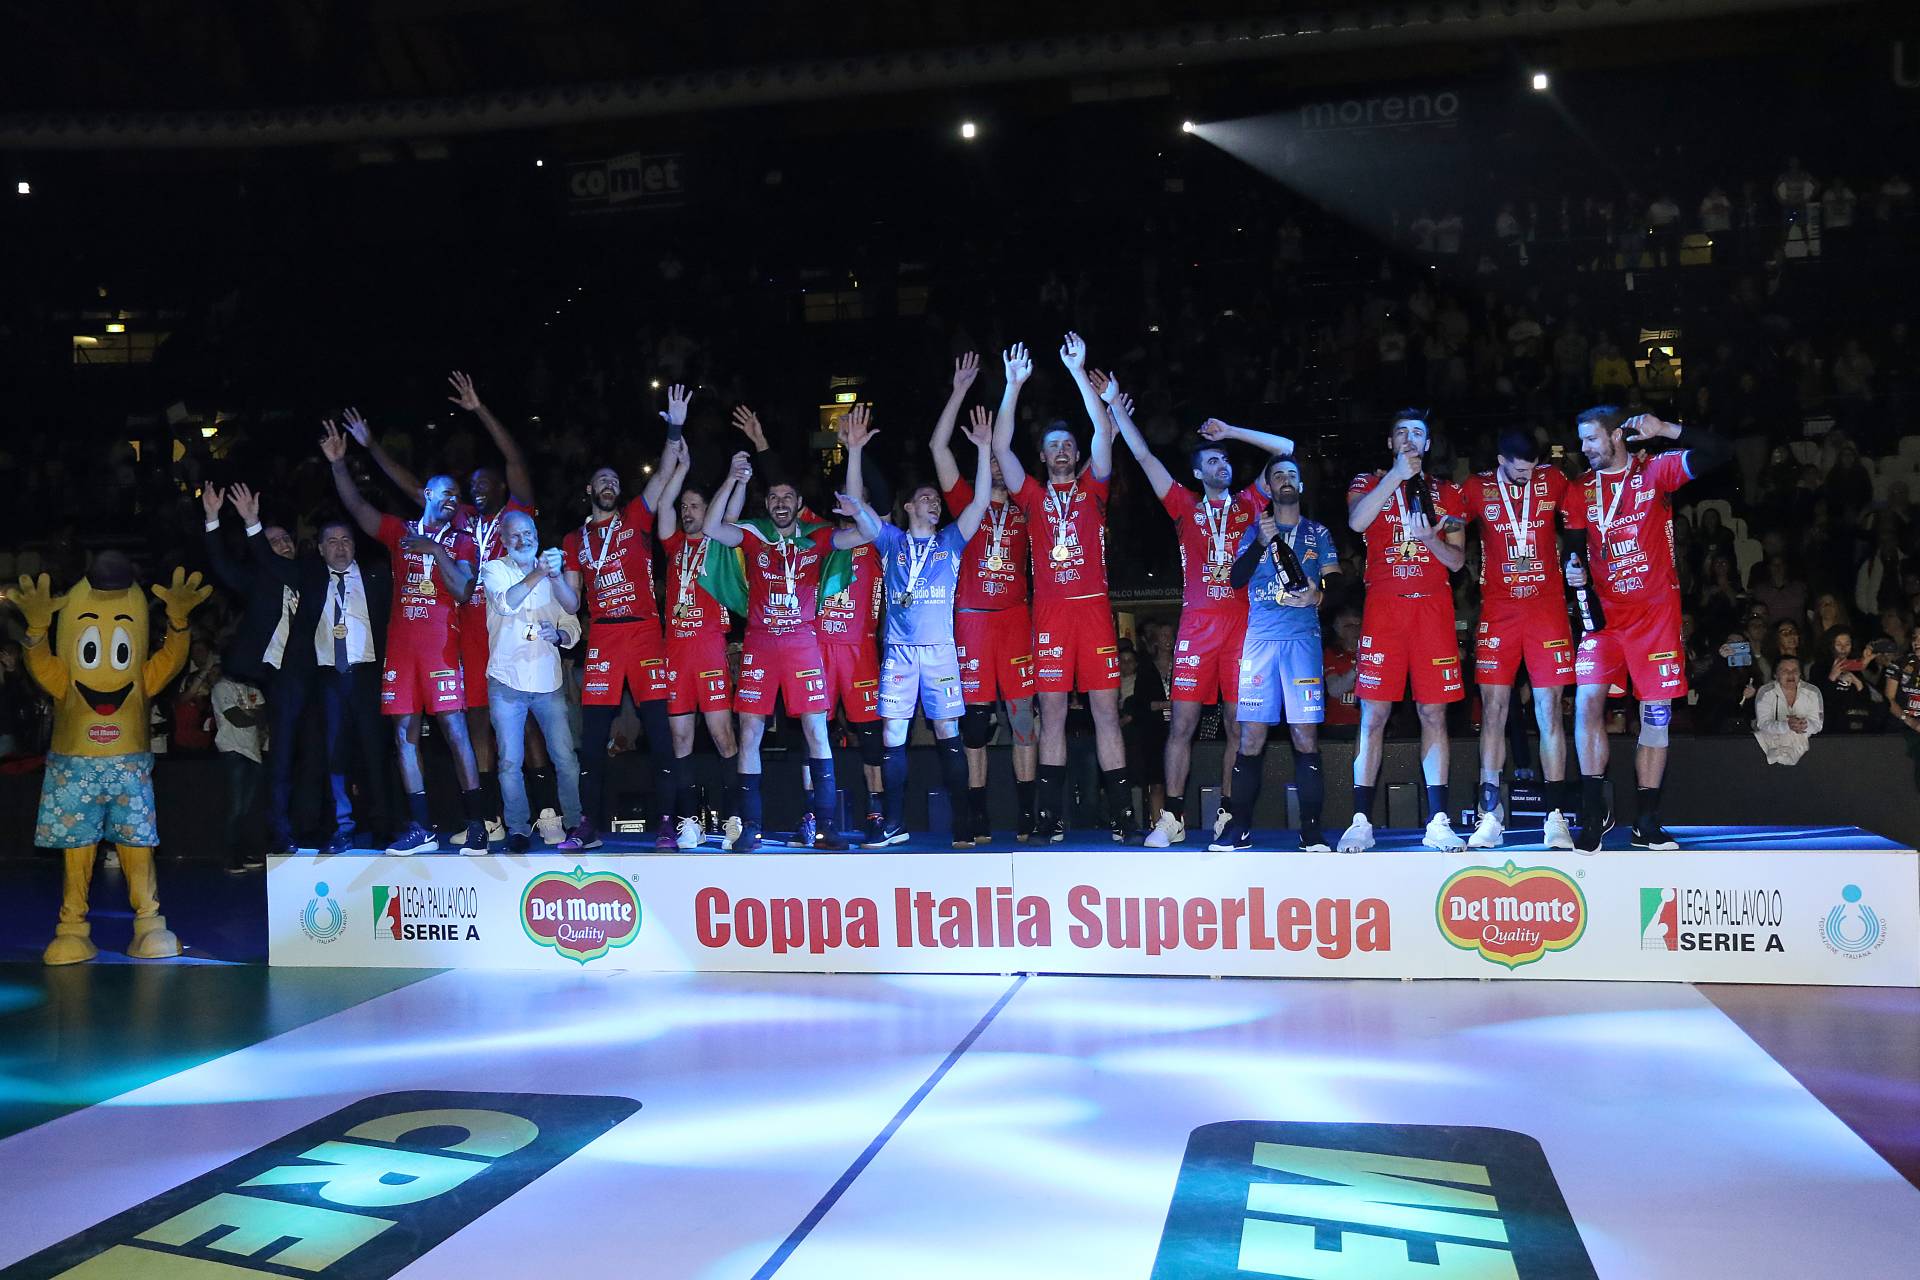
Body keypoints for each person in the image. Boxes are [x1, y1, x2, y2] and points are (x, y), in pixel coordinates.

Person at [345, 373, 538, 844]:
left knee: (525, 718)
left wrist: (479, 409)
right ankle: (485, 818)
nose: (474, 492)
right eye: (469, 487)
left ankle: (545, 810)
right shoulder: (461, 519)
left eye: (483, 484)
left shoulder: (515, 516)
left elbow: (515, 460)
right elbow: (414, 488)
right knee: (474, 724)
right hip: (464, 629)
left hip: (508, 625)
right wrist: (370, 447)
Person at [1106, 400, 1295, 848]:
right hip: (1197, 627)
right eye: (1212, 460)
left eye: (1224, 459)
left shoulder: (1250, 502)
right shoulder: (1184, 505)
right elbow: (1144, 457)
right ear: (1197, 472)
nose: (1221, 464)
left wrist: (1231, 430)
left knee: (1237, 726)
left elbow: (1285, 448)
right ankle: (1172, 816)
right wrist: (1115, 405)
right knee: (1182, 725)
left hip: (1243, 629)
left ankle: (1228, 813)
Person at [992, 335, 1140, 843]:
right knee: (1051, 715)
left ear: (1079, 454)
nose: (1061, 450)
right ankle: (1048, 818)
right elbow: (1000, 447)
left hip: (1093, 613)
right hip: (1051, 616)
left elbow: (1102, 430)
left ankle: (1123, 817)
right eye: (1053, 445)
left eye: (1068, 445)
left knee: (1106, 714)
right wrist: (1012, 386)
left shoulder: (1095, 488)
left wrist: (1079, 372)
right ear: (1042, 455)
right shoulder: (1031, 496)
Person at [1564, 407, 1732, 850]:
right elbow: (1574, 550)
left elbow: (1720, 451)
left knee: (1655, 718)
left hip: (1655, 618)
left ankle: (1646, 822)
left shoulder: (1655, 471)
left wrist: (1666, 429)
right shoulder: (1579, 489)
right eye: (1581, 440)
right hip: (1604, 620)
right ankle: (1593, 815)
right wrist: (1572, 569)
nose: (1584, 448)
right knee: (1587, 703)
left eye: (1591, 439)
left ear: (1617, 435)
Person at [701, 448, 885, 852]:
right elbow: (712, 526)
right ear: (766, 505)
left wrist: (856, 509)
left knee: (817, 731)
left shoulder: (817, 537)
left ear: (799, 504)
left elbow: (871, 534)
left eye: (787, 497)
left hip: (802, 644)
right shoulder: (755, 535)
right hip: (761, 644)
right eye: (773, 498)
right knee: (750, 733)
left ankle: (825, 827)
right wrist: (732, 478)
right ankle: (751, 827)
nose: (780, 503)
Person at [322, 415, 485, 855]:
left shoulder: (463, 541)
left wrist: (435, 550)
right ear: (426, 494)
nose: (453, 500)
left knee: (455, 732)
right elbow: (358, 509)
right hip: (401, 653)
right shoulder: (401, 532)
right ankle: (422, 828)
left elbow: (463, 589)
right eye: (445, 493)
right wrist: (338, 464)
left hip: (441, 651)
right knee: (403, 739)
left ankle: (476, 825)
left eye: (457, 496)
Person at [561, 387, 694, 851]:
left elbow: (664, 471)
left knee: (659, 733)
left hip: (643, 633)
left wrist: (674, 428)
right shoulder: (573, 540)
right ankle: (587, 826)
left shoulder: (636, 517)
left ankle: (667, 824)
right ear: (589, 490)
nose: (609, 484)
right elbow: (571, 600)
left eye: (614, 480)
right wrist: (552, 578)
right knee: (592, 739)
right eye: (602, 479)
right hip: (602, 638)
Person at [862, 408, 994, 847]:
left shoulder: (950, 540)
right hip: (899, 652)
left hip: (939, 651)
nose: (934, 503)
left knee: (948, 733)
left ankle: (963, 823)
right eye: (925, 498)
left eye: (937, 499)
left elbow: (979, 503)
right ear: (907, 507)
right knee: (893, 735)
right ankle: (894, 823)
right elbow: (859, 508)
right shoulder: (890, 541)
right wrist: (855, 452)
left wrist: (983, 449)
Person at [1340, 410, 1469, 852]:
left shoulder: (1448, 493)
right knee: (1373, 715)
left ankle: (1438, 821)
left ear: (1428, 444)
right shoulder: (1367, 482)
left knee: (1433, 714)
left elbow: (1457, 561)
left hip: (1432, 609)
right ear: (1390, 442)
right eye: (1401, 433)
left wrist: (1430, 540)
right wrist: (1396, 476)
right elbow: (1357, 522)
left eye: (1418, 433)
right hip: (1385, 610)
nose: (1410, 439)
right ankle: (1361, 820)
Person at [931, 356, 1039, 843]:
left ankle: (1028, 814)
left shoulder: (1027, 510)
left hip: (1014, 621)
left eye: (1000, 457)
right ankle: (975, 815)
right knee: (974, 727)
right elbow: (937, 447)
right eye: (989, 458)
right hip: (972, 621)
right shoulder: (964, 505)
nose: (995, 464)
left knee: (1023, 721)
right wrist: (958, 391)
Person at [1213, 454, 1342, 850]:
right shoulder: (1254, 530)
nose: (1286, 479)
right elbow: (1235, 579)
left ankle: (1311, 832)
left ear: (1300, 485)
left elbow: (1337, 584)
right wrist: (1261, 543)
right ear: (1268, 487)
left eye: (1292, 475)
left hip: (1302, 642)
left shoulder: (1318, 532)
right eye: (1278, 475)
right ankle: (1239, 830)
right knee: (1250, 735)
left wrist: (1319, 596)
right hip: (1261, 643)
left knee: (1305, 736)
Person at [1458, 429, 1577, 850]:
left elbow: (1581, 523)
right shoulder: (1476, 488)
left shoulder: (1554, 480)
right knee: (1493, 710)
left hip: (1547, 610)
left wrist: (1577, 560)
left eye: (1532, 469)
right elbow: (1448, 526)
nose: (1527, 478)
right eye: (1519, 471)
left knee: (1549, 710)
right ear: (1501, 461)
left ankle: (1555, 817)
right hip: (1499, 609)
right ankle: (1490, 816)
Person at [262, 512, 394, 855]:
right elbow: (271, 563)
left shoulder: (377, 575)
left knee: (375, 752)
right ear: (320, 549)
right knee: (334, 756)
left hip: (367, 675)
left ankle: (383, 826)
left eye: (346, 540)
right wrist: (250, 524)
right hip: (328, 679)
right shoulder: (311, 578)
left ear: (355, 546)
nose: (340, 547)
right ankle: (342, 827)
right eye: (332, 542)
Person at [201, 482, 308, 854]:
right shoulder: (260, 581)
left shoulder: (311, 575)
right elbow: (222, 566)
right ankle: (280, 833)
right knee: (281, 758)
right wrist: (212, 518)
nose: (283, 545)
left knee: (316, 758)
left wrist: (255, 527)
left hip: (318, 677)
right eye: (273, 541)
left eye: (286, 539)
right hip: (278, 680)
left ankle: (317, 827)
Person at [656, 446, 745, 850]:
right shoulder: (674, 545)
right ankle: (689, 822)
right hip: (676, 653)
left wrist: (735, 478)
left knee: (724, 736)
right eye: (685, 506)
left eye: (695, 506)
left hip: (709, 650)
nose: (687, 512)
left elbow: (732, 514)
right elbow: (663, 506)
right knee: (680, 740)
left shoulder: (718, 543)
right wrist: (683, 466)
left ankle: (733, 819)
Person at [483, 510, 584, 853]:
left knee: (565, 758)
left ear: (537, 535)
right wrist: (539, 573)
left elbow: (572, 620)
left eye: (528, 533)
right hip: (506, 680)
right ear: (503, 540)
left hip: (548, 681)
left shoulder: (552, 573)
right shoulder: (495, 569)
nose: (522, 539)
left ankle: (575, 823)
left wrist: (559, 634)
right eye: (514, 535)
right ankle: (518, 829)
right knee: (509, 762)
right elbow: (505, 604)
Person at [211, 665, 266, 873]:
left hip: (254, 752)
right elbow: (237, 718)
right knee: (236, 808)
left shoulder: (252, 687)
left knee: (250, 809)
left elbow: (265, 715)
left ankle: (245, 852)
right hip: (232, 751)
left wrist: (251, 713)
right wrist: (253, 713)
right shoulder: (221, 687)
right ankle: (231, 856)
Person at [1753, 656, 1822, 765]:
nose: (1790, 674)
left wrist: (1804, 725)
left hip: (1807, 751)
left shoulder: (1813, 692)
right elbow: (1762, 724)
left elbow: (1817, 724)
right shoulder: (1766, 692)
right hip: (1769, 746)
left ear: (1800, 674)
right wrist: (1787, 726)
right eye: (1785, 671)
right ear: (1775, 675)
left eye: (1795, 670)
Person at [1884, 629, 1920, 793]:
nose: (1917, 641)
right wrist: (1910, 721)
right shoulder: (1899, 664)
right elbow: (1889, 699)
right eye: (1915, 637)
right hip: (1901, 726)